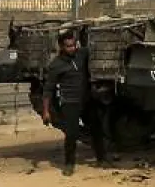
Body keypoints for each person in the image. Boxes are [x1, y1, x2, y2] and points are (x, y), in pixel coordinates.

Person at [41, 29, 110, 175]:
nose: (72, 48)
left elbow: (95, 48)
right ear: (61, 47)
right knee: (71, 134)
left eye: (73, 45)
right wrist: (46, 111)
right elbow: (48, 89)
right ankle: (69, 164)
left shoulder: (82, 54)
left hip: (86, 99)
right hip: (70, 102)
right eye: (68, 46)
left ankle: (102, 158)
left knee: (96, 128)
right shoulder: (56, 65)